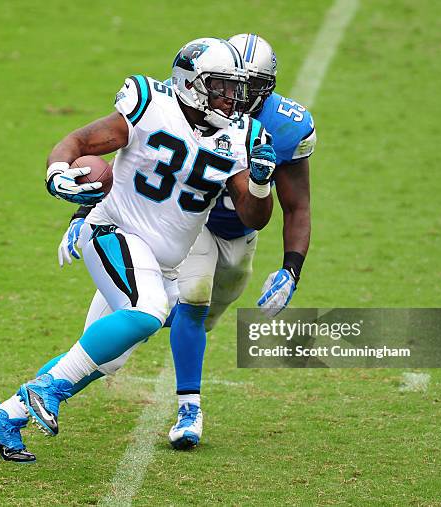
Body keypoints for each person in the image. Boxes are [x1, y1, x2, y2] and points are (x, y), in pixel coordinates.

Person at [0, 37, 277, 462]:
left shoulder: (241, 134)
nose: (232, 98)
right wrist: (57, 172)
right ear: (192, 84)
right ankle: (45, 391)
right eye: (221, 86)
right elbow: (78, 141)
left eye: (235, 88)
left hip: (161, 264)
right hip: (113, 232)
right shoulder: (150, 104)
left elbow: (254, 217)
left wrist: (262, 183)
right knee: (147, 311)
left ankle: (5, 415)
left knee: (104, 358)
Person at [57, 34, 316, 450]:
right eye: (227, 84)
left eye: (246, 87)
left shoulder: (283, 127)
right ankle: (188, 406)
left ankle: (144, 323)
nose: (234, 97)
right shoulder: (191, 94)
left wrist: (291, 268)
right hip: (188, 220)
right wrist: (85, 211)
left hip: (241, 232)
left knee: (203, 315)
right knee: (190, 301)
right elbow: (134, 156)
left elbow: (296, 205)